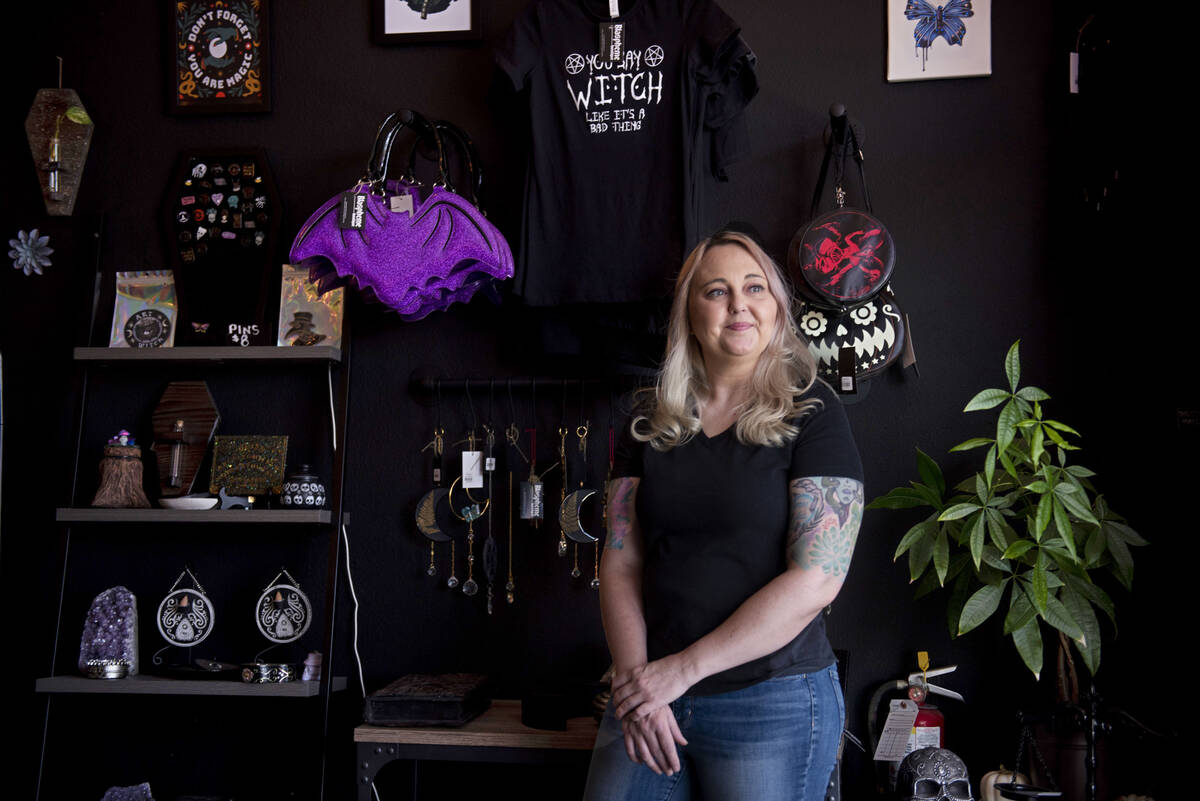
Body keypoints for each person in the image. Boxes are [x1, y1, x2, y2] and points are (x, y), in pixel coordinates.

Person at [582, 230, 864, 801]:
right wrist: (639, 686)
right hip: (652, 688)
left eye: (754, 287)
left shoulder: (813, 411)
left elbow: (818, 578)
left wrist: (681, 671)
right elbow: (620, 561)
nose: (739, 304)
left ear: (777, 306)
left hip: (769, 702)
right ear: (690, 313)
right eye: (717, 290)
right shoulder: (649, 420)